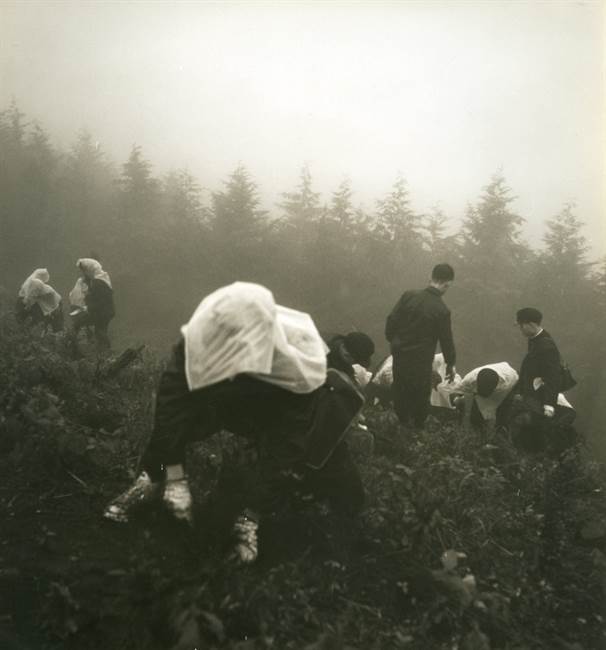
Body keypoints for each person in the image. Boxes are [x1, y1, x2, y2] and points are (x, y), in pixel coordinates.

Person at [104, 282, 365, 564]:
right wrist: (168, 469)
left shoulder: (299, 364)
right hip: (228, 397)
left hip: (283, 401)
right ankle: (149, 483)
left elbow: (287, 444)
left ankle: (320, 528)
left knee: (319, 469)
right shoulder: (203, 334)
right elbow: (172, 407)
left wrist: (250, 515)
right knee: (178, 428)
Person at [385, 263, 456, 429]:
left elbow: (391, 321)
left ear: (430, 277)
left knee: (400, 391)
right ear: (447, 284)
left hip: (400, 355)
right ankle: (416, 432)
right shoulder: (442, 310)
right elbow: (446, 340)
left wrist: (394, 342)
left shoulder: (408, 295)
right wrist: (450, 363)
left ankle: (399, 428)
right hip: (421, 361)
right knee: (420, 396)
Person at [510, 308, 575, 452]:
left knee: (534, 432)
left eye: (521, 325)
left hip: (540, 398)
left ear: (531, 324)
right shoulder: (536, 339)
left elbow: (553, 377)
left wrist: (549, 405)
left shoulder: (546, 346)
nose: (520, 329)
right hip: (533, 394)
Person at [452, 362, 518, 434]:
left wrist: (489, 435)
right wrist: (466, 420)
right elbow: (466, 395)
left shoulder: (506, 385)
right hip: (492, 376)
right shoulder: (469, 380)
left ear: (494, 388)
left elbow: (491, 412)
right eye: (480, 391)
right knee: (460, 403)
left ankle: (500, 431)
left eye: (486, 392)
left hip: (511, 378)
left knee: (502, 412)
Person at [70, 258, 115, 350]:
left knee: (98, 331)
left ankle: (105, 351)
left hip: (103, 312)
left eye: (85, 271)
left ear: (89, 269)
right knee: (100, 331)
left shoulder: (98, 282)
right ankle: (103, 352)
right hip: (106, 311)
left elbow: (100, 300)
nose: (84, 273)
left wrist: (87, 307)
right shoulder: (102, 278)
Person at [15, 268, 64, 333]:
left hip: (55, 304)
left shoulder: (35, 283)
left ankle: (53, 333)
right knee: (42, 320)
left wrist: (27, 306)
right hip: (51, 304)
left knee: (52, 322)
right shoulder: (35, 283)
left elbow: (31, 297)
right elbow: (31, 297)